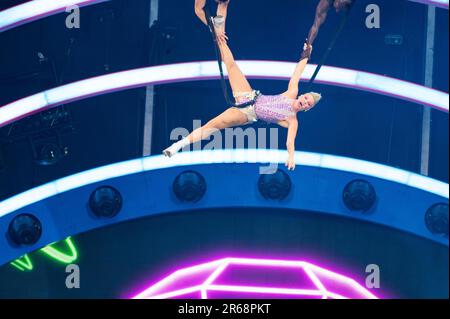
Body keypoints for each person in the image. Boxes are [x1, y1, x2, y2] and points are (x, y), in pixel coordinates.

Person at [163, 0, 321, 171]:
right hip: (249, 94)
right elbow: (298, 71)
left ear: (307, 109)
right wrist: (307, 52)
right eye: (306, 98)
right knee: (228, 59)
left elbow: (290, 142)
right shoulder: (292, 92)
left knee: (212, 125)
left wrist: (291, 156)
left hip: (246, 113)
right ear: (302, 96)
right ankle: (217, 28)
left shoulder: (292, 120)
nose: (305, 101)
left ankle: (179, 145)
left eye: (308, 104)